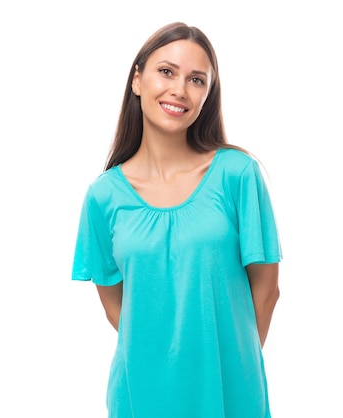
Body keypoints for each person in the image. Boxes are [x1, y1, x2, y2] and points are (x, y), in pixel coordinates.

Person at [71, 22, 282, 418]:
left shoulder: (238, 175)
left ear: (207, 95)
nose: (180, 90)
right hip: (140, 394)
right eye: (166, 71)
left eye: (197, 80)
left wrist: (231, 367)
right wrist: (168, 360)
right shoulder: (103, 196)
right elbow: (117, 307)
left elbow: (267, 291)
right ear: (137, 79)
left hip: (230, 390)